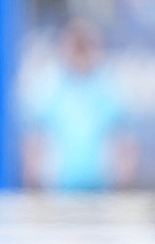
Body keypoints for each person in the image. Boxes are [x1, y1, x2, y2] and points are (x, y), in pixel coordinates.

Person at [21, 19, 135, 191]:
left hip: (102, 192)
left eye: (86, 46)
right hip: (57, 193)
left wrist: (123, 188)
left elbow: (124, 143)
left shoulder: (110, 87)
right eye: (76, 46)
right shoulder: (48, 87)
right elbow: (34, 142)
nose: (81, 53)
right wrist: (34, 189)